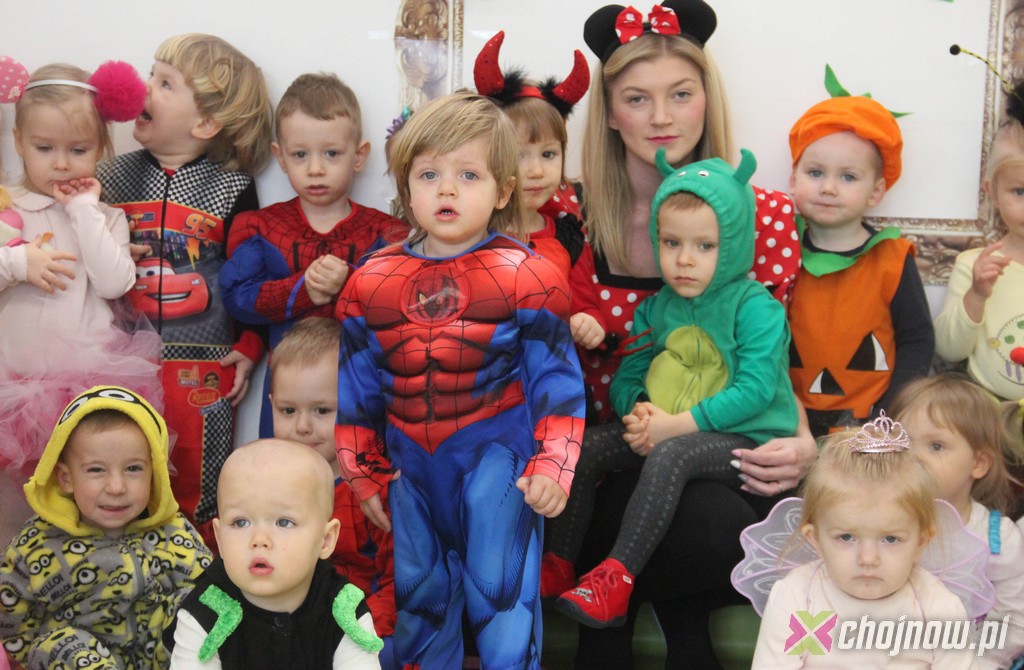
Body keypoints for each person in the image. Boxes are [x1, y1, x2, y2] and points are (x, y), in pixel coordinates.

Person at [568, 2, 815, 665]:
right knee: (583, 489)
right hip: (612, 444)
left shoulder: (765, 215)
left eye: (681, 94)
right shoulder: (569, 214)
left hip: (717, 446)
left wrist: (804, 441)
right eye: (636, 98)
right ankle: (650, 633)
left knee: (709, 519)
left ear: (707, 98)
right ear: (609, 111)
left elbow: (770, 356)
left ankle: (612, 623)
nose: (661, 116)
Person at [335, 91, 586, 669]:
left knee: (502, 603)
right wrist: (360, 471)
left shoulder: (530, 275)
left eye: (468, 175)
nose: (447, 190)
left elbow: (558, 383)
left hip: (498, 464)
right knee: (420, 610)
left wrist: (555, 463)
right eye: (429, 174)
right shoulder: (369, 280)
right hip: (410, 473)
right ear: (406, 187)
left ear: (502, 190)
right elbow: (356, 389)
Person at [548, 147, 799, 629]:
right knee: (584, 447)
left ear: (734, 244)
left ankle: (616, 579)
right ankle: (558, 564)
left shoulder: (755, 307)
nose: (684, 260)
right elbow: (629, 373)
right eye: (671, 243)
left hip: (743, 439)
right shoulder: (656, 307)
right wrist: (639, 409)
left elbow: (756, 390)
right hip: (663, 426)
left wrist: (676, 426)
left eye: (705, 246)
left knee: (671, 454)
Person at [96, 34, 274, 547]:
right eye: (150, 74)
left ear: (205, 123)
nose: (144, 86)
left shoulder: (232, 186)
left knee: (200, 484)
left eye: (165, 82)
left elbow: (250, 278)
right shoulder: (109, 176)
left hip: (203, 370)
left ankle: (201, 577)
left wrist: (251, 345)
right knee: (118, 477)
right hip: (119, 361)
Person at [0, 62, 161, 545]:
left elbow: (114, 282)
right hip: (14, 387)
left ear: (102, 148)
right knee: (12, 504)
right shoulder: (7, 208)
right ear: (18, 141)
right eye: (44, 148)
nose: (62, 164)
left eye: (78, 150)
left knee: (84, 496)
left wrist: (84, 210)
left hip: (83, 382)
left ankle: (89, 574)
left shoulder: (105, 217)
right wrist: (18, 262)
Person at [221, 73, 408, 437]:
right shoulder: (262, 227)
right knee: (284, 469)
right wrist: (302, 290)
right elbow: (236, 296)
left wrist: (349, 282)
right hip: (287, 395)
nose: (316, 169)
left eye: (331, 153)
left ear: (359, 156)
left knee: (356, 467)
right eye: (300, 154)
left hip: (359, 386)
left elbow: (398, 305)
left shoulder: (386, 233)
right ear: (281, 157)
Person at [0, 385, 212, 669]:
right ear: (66, 479)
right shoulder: (37, 543)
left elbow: (206, 586)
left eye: (133, 469)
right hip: (79, 660)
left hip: (159, 658)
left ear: (154, 474)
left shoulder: (172, 531)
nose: (116, 487)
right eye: (96, 470)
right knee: (60, 643)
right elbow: (11, 613)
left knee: (196, 604)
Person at [751, 414, 975, 668]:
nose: (868, 559)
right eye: (846, 537)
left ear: (920, 542)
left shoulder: (938, 608)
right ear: (816, 539)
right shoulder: (796, 597)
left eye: (890, 539)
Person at [787, 94, 934, 437]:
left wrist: (887, 416)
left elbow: (917, 340)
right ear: (793, 180)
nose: (828, 188)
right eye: (815, 172)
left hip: (869, 425)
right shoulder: (780, 251)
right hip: (786, 421)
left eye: (848, 177)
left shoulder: (892, 259)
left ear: (876, 191)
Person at [164, 439, 383, 669]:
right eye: (240, 522)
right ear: (219, 538)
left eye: (284, 522)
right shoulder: (205, 611)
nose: (259, 540)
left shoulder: (343, 611)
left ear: (325, 540)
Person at [268, 317, 397, 666]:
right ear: (271, 403)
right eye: (288, 410)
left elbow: (397, 584)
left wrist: (356, 632)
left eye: (322, 410)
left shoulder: (374, 492)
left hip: (361, 629)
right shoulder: (264, 484)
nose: (302, 426)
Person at [472, 31, 607, 350]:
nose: (536, 171)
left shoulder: (567, 237)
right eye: (520, 155)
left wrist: (589, 322)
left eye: (548, 154)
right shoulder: (472, 230)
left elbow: (585, 304)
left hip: (547, 370)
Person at [891, 373, 1024, 670]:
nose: (914, 457)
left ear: (978, 464)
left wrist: (973, 663)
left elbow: (1014, 620)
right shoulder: (876, 520)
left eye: (936, 446)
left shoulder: (998, 540)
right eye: (903, 443)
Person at [934, 83, 1024, 402]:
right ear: (993, 192)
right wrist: (977, 294)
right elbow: (948, 350)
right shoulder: (975, 265)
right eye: (1020, 192)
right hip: (990, 414)